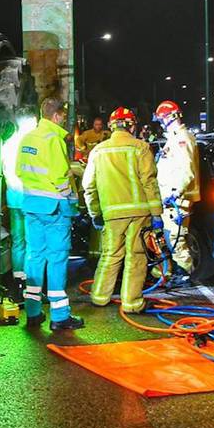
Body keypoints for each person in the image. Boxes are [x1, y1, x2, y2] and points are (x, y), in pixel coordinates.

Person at [81, 107, 163, 314]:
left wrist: (95, 213)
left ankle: (99, 297)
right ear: (132, 125)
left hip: (111, 214)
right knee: (136, 256)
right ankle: (132, 303)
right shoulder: (140, 148)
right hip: (139, 213)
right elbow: (149, 182)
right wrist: (156, 213)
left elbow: (88, 186)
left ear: (111, 126)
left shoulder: (97, 151)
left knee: (110, 254)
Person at [16, 97, 84, 331]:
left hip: (31, 207)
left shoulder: (28, 138)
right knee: (57, 259)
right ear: (55, 116)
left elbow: (19, 170)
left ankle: (33, 313)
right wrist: (71, 199)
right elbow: (60, 177)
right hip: (54, 210)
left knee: (34, 257)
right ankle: (60, 316)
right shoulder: (54, 140)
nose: (64, 119)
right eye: (63, 115)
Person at [153, 100, 200, 276]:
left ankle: (186, 273)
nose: (161, 123)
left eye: (161, 119)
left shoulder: (181, 139)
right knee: (170, 236)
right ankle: (176, 271)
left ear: (169, 117)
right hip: (171, 198)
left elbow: (186, 171)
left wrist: (175, 193)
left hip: (177, 199)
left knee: (175, 237)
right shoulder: (175, 138)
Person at [1, 114, 34, 293]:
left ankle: (18, 279)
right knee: (31, 241)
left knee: (18, 241)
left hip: (13, 199)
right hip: (29, 199)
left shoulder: (8, 144)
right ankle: (30, 281)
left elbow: (5, 170)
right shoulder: (30, 145)